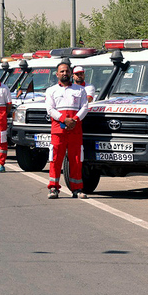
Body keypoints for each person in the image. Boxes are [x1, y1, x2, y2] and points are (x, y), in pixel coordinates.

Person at [45, 62, 89, 199]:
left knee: (76, 160)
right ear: (57, 74)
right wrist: (64, 119)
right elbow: (50, 109)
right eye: (62, 71)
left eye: (67, 71)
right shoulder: (51, 90)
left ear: (71, 73)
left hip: (75, 130)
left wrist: (74, 120)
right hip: (59, 130)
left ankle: (77, 189)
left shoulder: (80, 90)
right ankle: (53, 188)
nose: (65, 73)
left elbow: (85, 107)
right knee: (55, 159)